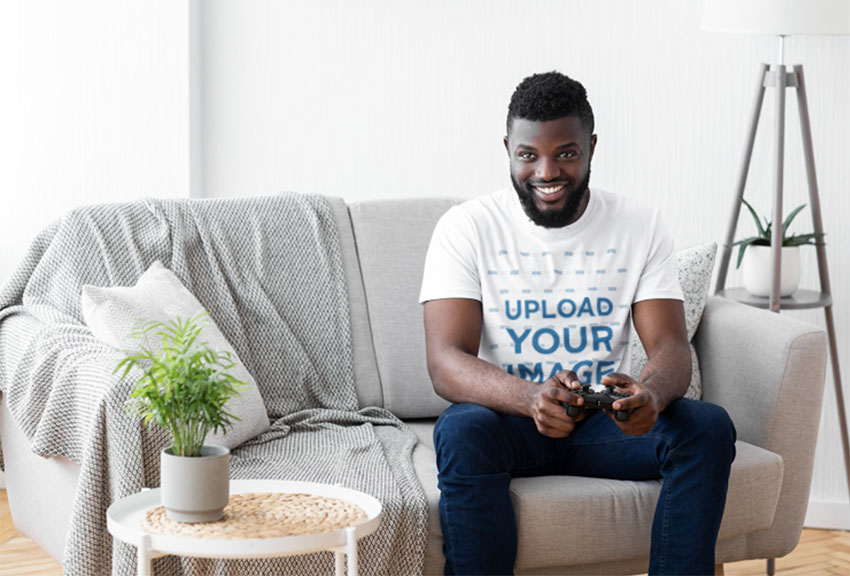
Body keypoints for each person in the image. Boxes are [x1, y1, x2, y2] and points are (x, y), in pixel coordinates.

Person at [419, 71, 737, 576]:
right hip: (513, 423)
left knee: (706, 427)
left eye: (566, 153)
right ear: (508, 148)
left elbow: (671, 346)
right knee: (461, 429)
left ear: (591, 147)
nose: (546, 172)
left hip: (604, 424)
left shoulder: (639, 224)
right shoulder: (467, 227)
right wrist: (530, 398)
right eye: (528, 155)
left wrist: (650, 395)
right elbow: (445, 362)